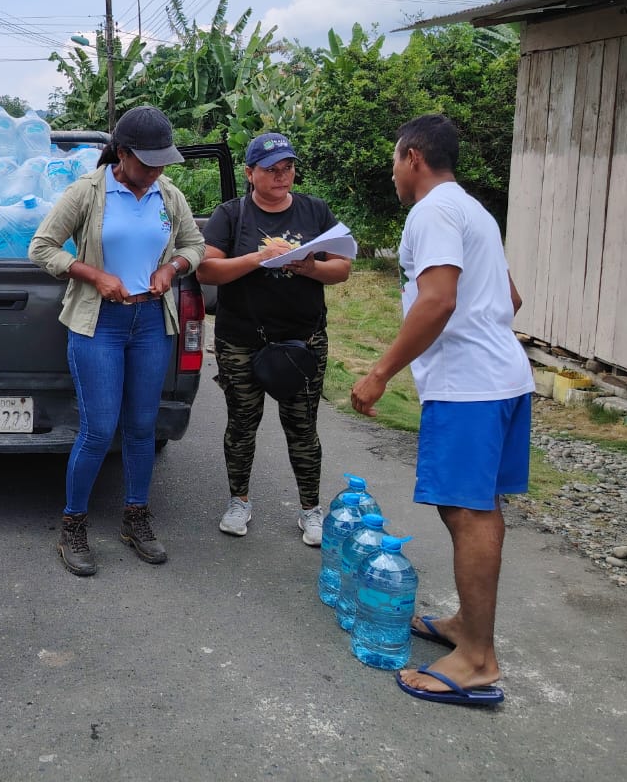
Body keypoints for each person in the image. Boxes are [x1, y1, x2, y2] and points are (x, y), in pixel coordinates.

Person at [351, 115, 532, 708]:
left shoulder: (430, 212)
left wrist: (379, 374)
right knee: (481, 508)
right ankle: (466, 627)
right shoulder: (473, 210)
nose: (392, 173)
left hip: (468, 389)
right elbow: (510, 297)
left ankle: (477, 659)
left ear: (413, 157)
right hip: (504, 378)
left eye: (394, 160)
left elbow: (437, 301)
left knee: (467, 513)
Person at [29, 105, 205, 577]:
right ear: (122, 154)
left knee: (143, 427)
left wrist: (173, 267)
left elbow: (195, 245)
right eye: (148, 163)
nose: (157, 171)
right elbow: (42, 247)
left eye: (163, 162)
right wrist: (94, 275)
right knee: (99, 429)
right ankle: (73, 526)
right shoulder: (88, 191)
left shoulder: (168, 194)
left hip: (150, 322)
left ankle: (135, 518)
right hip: (100, 323)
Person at [197, 132, 352, 546]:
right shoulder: (231, 214)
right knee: (242, 424)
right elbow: (207, 270)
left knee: (302, 426)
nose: (282, 176)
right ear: (250, 173)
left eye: (288, 167)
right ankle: (239, 501)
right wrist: (257, 258)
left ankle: (310, 509)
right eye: (271, 169)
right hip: (241, 339)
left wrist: (309, 268)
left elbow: (342, 267)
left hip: (304, 340)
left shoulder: (314, 210)